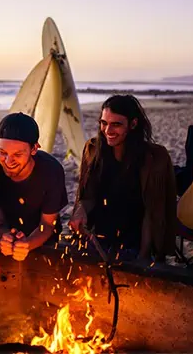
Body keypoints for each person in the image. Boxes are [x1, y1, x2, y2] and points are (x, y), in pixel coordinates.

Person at [69, 95, 177, 263]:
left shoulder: (155, 157)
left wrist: (144, 256)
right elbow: (88, 196)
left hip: (135, 242)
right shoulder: (92, 149)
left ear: (133, 124)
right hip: (97, 238)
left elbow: (153, 210)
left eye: (116, 124)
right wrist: (80, 210)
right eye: (104, 123)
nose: (108, 131)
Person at [0, 112, 68, 261]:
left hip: (44, 238)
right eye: (2, 152)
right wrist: (6, 237)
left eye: (17, 154)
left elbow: (48, 225)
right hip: (4, 240)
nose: (8, 161)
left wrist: (28, 244)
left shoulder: (51, 171)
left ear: (34, 149)